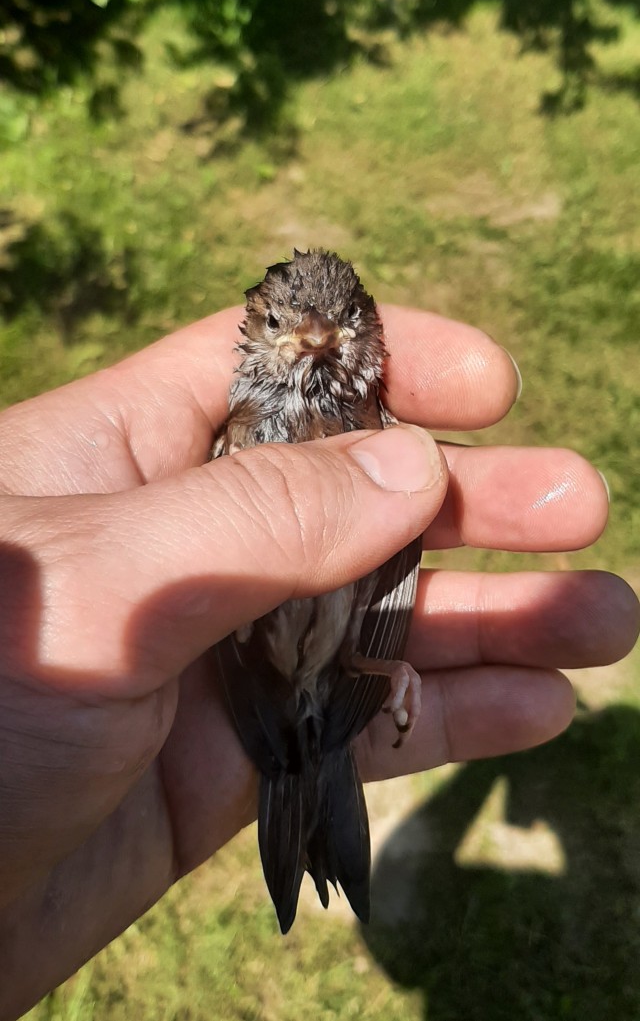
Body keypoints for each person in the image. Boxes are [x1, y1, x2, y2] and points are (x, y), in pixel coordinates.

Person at [0, 303, 637, 1018]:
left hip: (342, 653)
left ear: (366, 340)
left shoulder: (381, 430)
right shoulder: (236, 431)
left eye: (339, 326)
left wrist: (383, 664)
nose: (311, 341)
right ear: (254, 334)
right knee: (299, 750)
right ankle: (307, 788)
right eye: (283, 323)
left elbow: (392, 567)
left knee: (332, 733)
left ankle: (331, 767)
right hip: (262, 663)